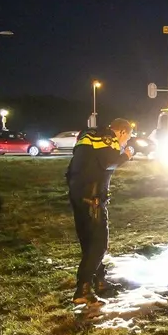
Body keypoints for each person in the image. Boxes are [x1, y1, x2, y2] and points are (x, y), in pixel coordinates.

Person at [66, 118, 134, 306]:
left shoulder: (87, 136)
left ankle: (100, 281)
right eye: (126, 139)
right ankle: (82, 289)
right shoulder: (108, 138)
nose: (124, 143)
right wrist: (126, 155)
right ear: (121, 132)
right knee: (99, 244)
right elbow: (109, 162)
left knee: (89, 242)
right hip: (92, 198)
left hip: (77, 194)